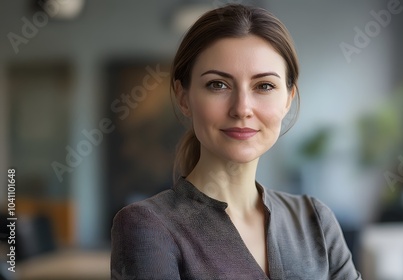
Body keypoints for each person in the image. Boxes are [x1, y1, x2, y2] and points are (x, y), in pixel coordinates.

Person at [111, 4, 361, 280]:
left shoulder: (316, 221)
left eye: (264, 86)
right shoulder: (148, 226)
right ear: (184, 97)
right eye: (218, 84)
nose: (242, 108)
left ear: (288, 98)